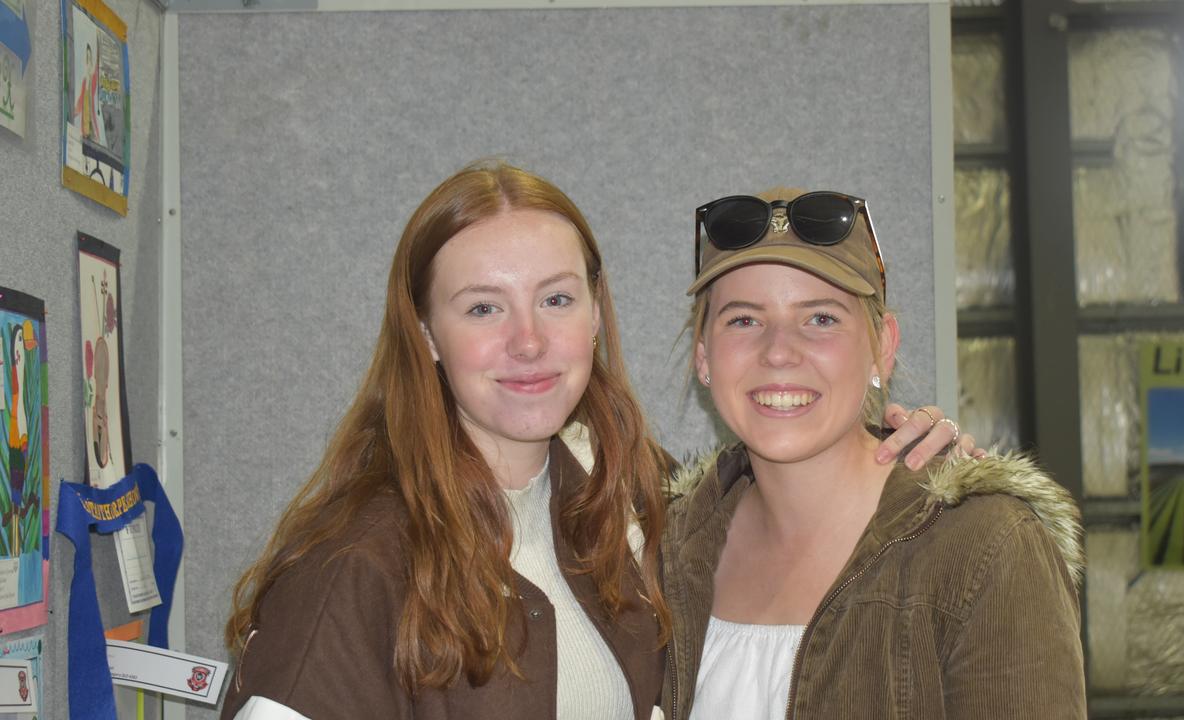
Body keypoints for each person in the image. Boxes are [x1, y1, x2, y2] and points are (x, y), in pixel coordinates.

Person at [221, 163, 970, 720]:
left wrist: (895, 448)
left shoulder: (628, 498)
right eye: (483, 308)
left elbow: (779, 491)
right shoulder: (357, 570)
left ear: (594, 313)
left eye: (555, 299)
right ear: (426, 334)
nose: (529, 341)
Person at [661, 189, 1086, 720]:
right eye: (743, 320)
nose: (777, 351)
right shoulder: (661, 548)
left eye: (820, 319)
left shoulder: (986, 549)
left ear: (882, 347)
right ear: (705, 357)